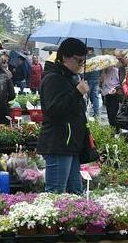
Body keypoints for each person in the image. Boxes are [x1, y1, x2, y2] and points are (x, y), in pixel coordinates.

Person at [37, 38, 89, 194]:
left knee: (76, 194)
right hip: (59, 143)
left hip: (71, 143)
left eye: (83, 62)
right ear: (66, 57)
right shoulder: (53, 78)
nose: (81, 65)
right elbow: (54, 111)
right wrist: (77, 93)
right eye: (78, 60)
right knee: (55, 194)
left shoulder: (69, 78)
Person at [100, 66, 121, 131]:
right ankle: (112, 129)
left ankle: (116, 129)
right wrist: (103, 74)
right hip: (106, 94)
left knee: (113, 113)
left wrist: (115, 89)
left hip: (114, 94)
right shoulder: (103, 71)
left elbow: (120, 82)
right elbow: (101, 83)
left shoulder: (115, 71)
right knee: (109, 113)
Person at [84, 47, 101, 117]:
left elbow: (87, 71)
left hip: (88, 80)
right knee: (95, 96)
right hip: (96, 79)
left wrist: (84, 77)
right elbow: (101, 68)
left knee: (86, 96)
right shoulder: (97, 59)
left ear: (88, 51)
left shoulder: (87, 59)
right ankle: (96, 113)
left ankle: (85, 112)